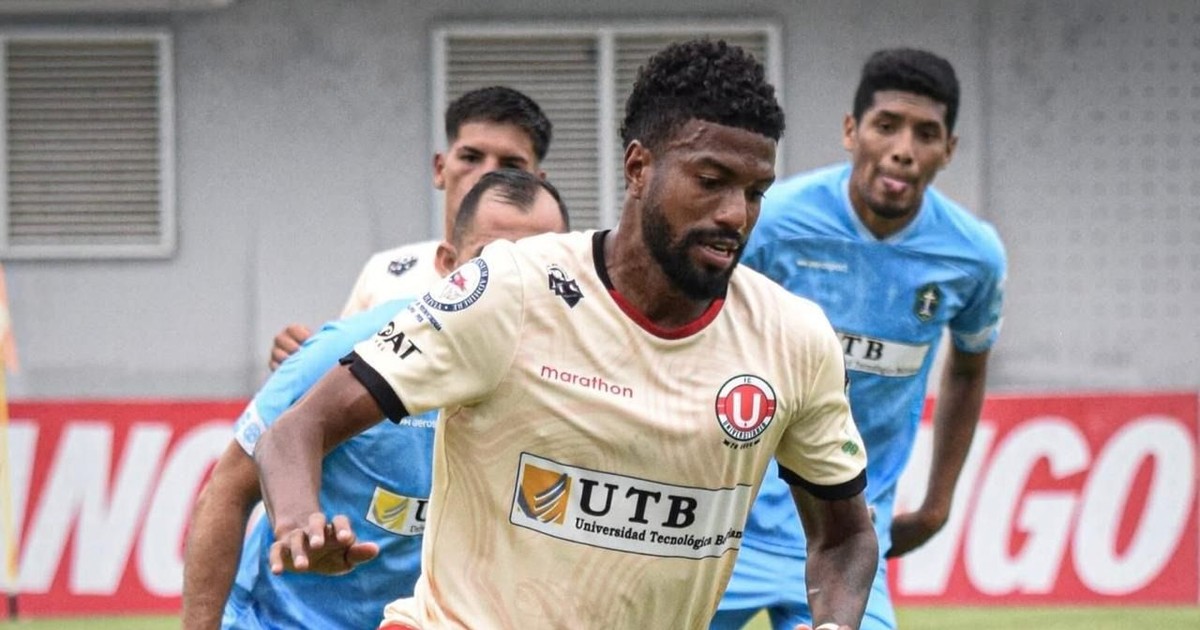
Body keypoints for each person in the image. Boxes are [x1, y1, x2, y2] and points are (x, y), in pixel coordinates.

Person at [254, 39, 878, 630]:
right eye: (710, 182)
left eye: (755, 192)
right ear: (638, 167)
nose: (735, 215)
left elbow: (845, 536)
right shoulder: (511, 289)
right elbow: (295, 429)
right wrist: (299, 520)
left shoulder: (794, 339)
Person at [180, 169, 570, 630]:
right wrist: (298, 524)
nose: (514, 288)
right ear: (447, 265)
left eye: (536, 266)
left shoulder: (573, 385)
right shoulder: (352, 346)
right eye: (490, 264)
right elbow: (226, 490)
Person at [713, 48, 1007, 630]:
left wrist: (937, 505)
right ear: (852, 131)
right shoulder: (774, 223)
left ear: (948, 150)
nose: (903, 149)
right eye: (886, 125)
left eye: (926, 133)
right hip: (728, 526)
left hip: (846, 538)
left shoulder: (972, 257)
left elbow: (969, 367)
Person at [268, 86, 553, 370]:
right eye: (471, 157)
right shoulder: (384, 272)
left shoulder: (559, 284)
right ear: (440, 169)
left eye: (511, 165)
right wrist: (299, 361)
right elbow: (338, 372)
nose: (488, 174)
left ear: (538, 185)